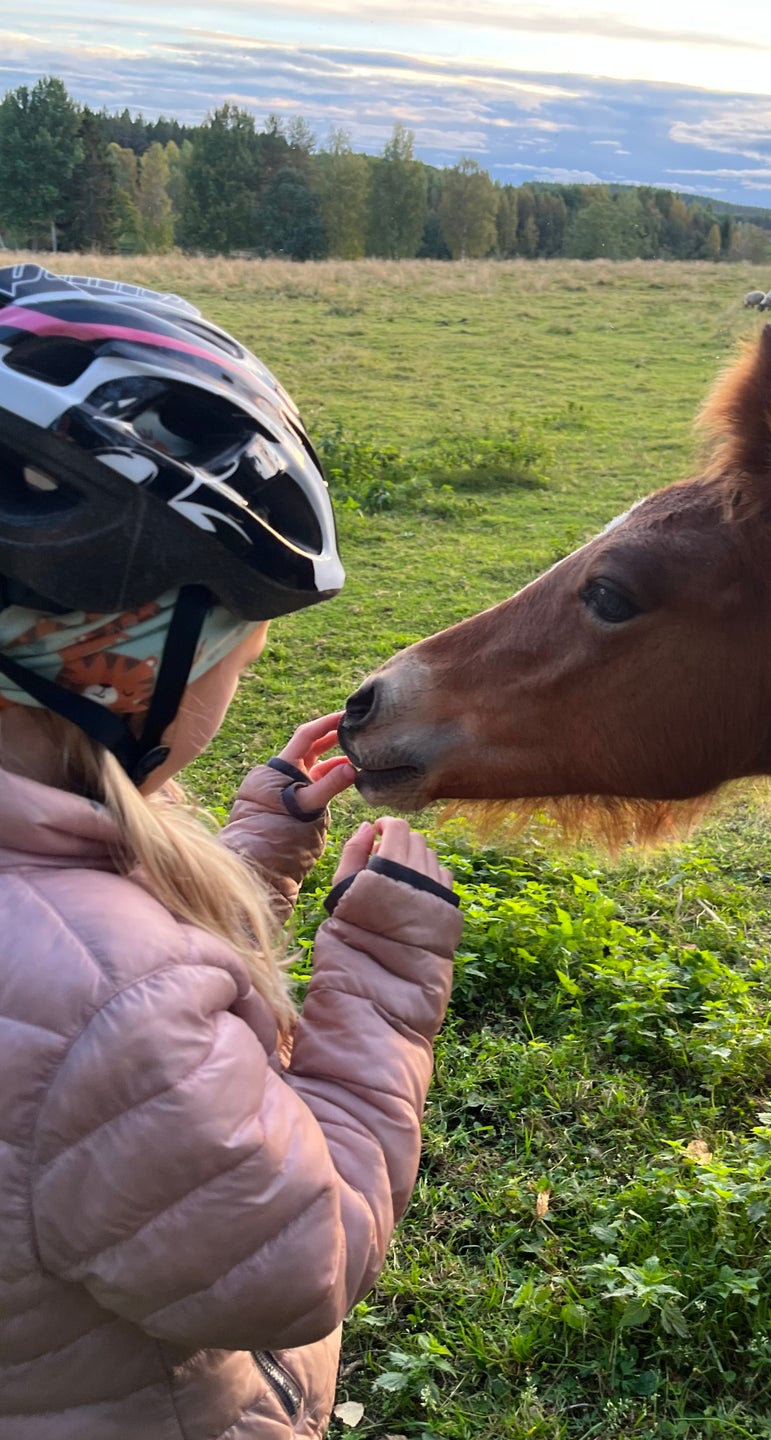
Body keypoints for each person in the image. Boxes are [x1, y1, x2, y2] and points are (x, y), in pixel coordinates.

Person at [0, 265, 463, 1438]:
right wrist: (384, 988)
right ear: (114, 667)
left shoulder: (75, 961)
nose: (240, 680)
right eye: (236, 660)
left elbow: (76, 969)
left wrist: (258, 838)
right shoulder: (109, 1007)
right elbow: (300, 1251)